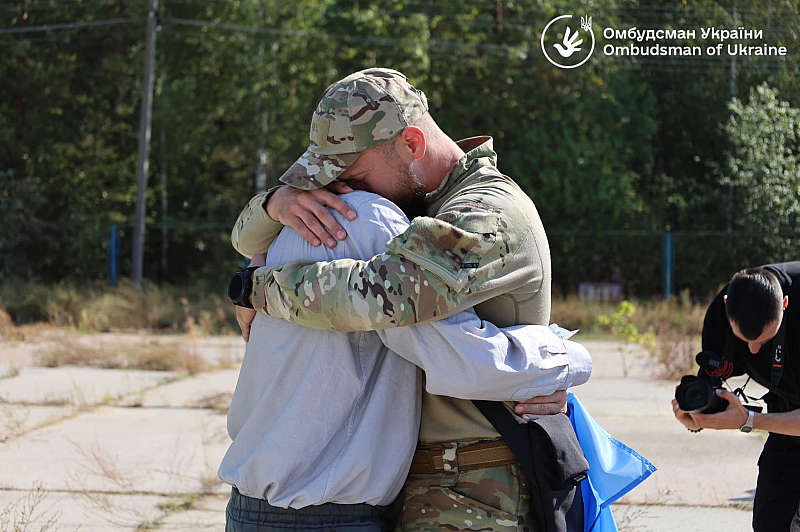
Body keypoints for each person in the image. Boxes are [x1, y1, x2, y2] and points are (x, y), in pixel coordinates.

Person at [231, 67, 567, 531]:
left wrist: (255, 287)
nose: (345, 191)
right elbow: (245, 237)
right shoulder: (422, 203)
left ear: (411, 143)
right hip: (432, 479)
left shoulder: (487, 213)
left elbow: (379, 295)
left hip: (474, 485)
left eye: (357, 176)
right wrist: (275, 203)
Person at [221, 189, 592, 531]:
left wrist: (269, 212)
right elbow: (464, 360)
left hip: (248, 510)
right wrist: (568, 360)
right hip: (327, 516)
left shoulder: (284, 225)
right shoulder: (373, 220)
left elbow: (244, 234)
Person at [672, 263, 800, 532]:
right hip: (785, 415)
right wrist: (697, 415)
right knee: (772, 521)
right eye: (745, 339)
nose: (753, 350)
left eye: (765, 340)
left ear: (786, 304)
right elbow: (712, 378)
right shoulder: (722, 311)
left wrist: (750, 420)